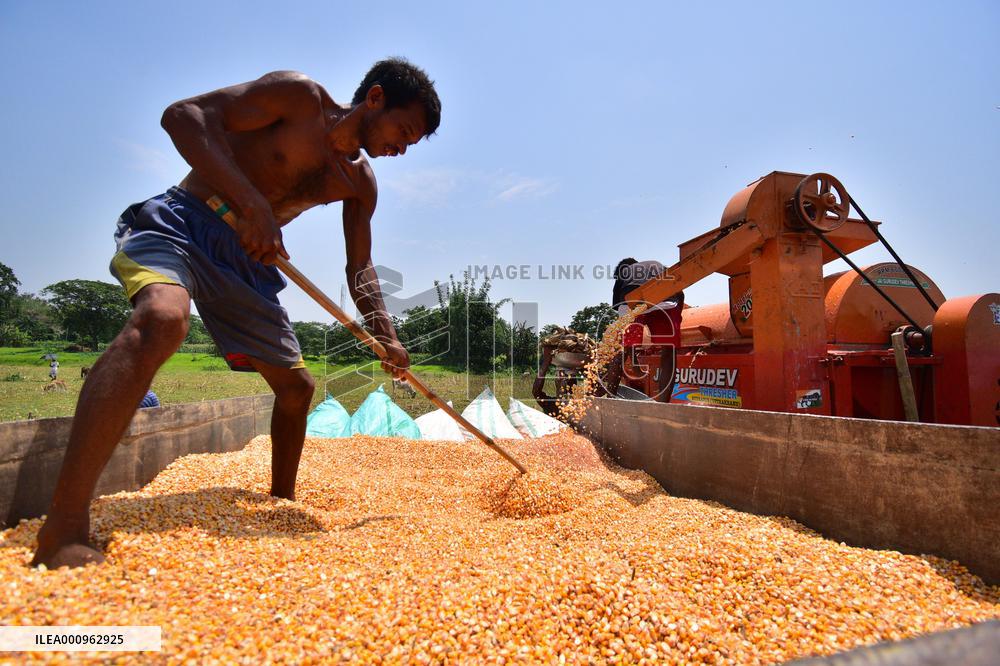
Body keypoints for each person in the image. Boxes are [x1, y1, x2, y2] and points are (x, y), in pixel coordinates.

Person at [32, 59, 441, 569]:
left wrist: (388, 335)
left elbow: (360, 267)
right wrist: (253, 205)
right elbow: (183, 117)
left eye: (412, 142)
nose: (402, 147)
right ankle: (63, 529)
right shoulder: (298, 99)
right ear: (375, 98)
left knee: (296, 390)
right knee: (162, 320)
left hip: (247, 261)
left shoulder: (359, 183)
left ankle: (280, 505)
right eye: (404, 130)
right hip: (187, 223)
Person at [600, 258, 683, 401]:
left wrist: (629, 348)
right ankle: (663, 404)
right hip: (668, 299)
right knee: (668, 352)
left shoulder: (625, 272)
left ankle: (609, 397)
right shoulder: (658, 266)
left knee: (622, 350)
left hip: (636, 301)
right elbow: (679, 289)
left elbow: (618, 306)